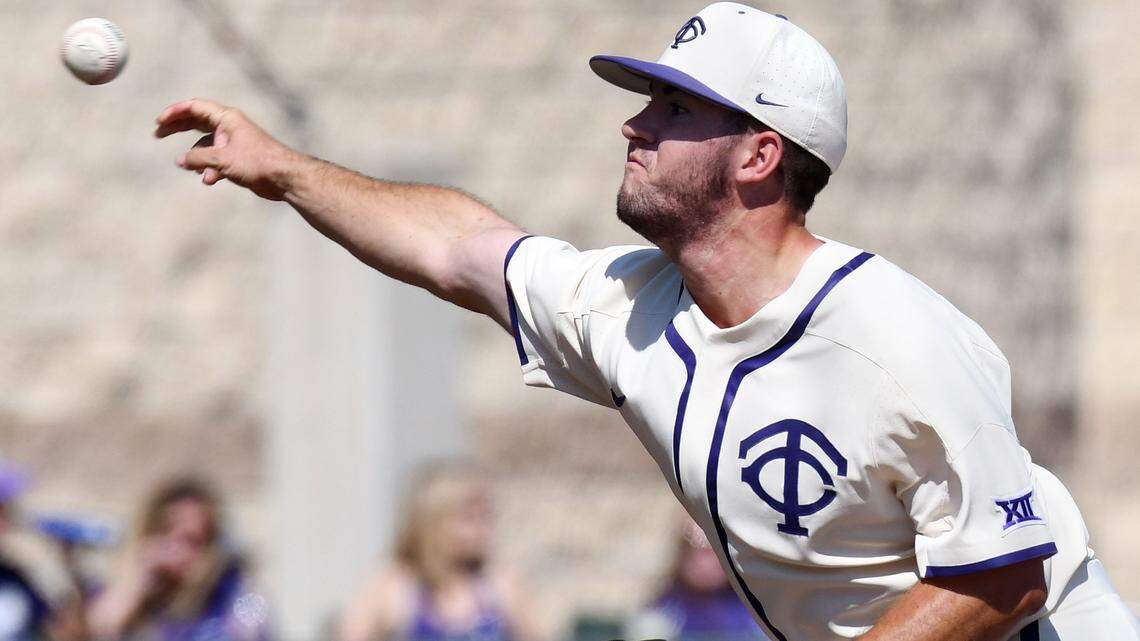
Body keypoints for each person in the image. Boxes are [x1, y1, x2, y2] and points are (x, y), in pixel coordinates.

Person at [152, 2, 1140, 639]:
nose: (634, 123)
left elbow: (1005, 576)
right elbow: (458, 248)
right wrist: (284, 170)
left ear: (758, 157)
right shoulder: (630, 307)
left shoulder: (899, 336)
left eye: (671, 107)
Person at [339, 463, 541, 641]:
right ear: (433, 523)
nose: (484, 530)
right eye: (469, 520)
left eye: (486, 518)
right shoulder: (394, 585)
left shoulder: (497, 584)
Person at [87, 477, 267, 641]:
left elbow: (252, 627)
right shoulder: (110, 591)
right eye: (165, 532)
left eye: (192, 540)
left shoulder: (229, 596)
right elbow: (96, 628)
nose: (175, 549)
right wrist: (135, 585)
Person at [626, 519, 764, 641]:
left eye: (713, 554)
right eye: (697, 553)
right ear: (682, 557)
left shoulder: (753, 611)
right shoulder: (663, 613)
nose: (704, 564)